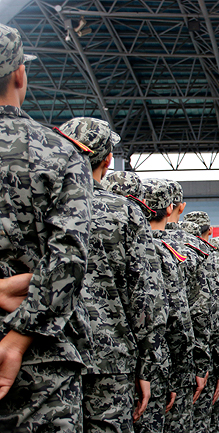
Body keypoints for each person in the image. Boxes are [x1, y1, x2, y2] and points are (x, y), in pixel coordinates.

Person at [0, 24, 94, 432]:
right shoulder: (61, 153)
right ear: (20, 74)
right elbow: (69, 257)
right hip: (39, 362)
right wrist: (19, 339)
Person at [60, 117, 167, 432]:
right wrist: (148, 367)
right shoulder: (124, 211)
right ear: (108, 159)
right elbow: (147, 295)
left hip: (47, 353)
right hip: (109, 356)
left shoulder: (43, 200)